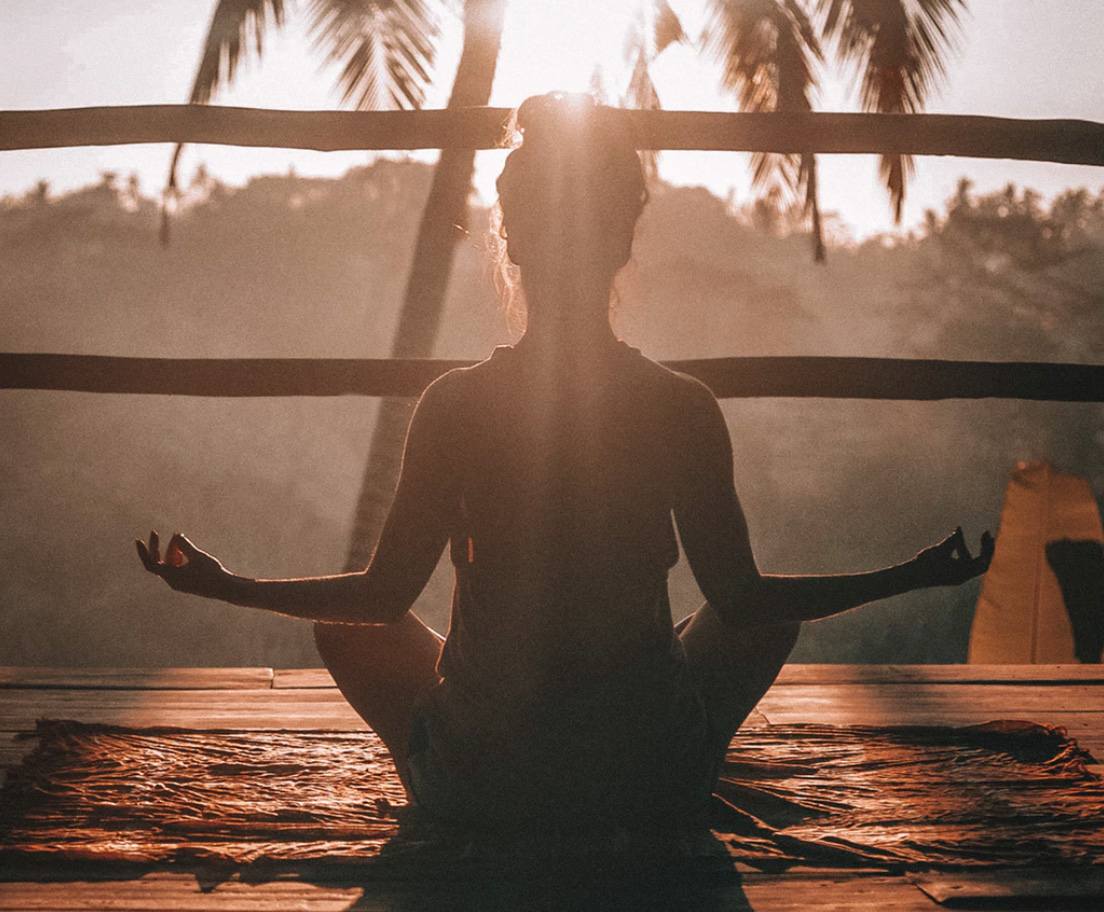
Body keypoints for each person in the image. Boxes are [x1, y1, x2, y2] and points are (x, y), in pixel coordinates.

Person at [137, 94, 993, 833]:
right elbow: (744, 601)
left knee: (347, 628)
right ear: (623, 243)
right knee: (764, 618)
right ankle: (673, 761)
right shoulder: (680, 406)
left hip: (482, 789)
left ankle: (467, 763)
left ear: (512, 242)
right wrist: (908, 575)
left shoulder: (456, 405)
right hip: (646, 785)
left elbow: (379, 598)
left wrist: (228, 586)